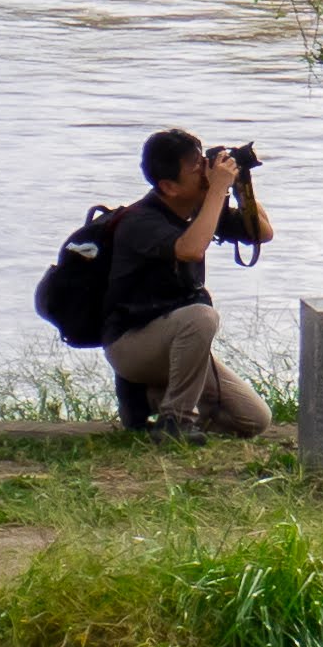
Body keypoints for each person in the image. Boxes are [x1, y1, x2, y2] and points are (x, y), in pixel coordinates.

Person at [103, 129, 272, 437]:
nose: (206, 172)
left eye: (203, 161)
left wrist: (241, 187)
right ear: (168, 186)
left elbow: (261, 233)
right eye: (196, 168)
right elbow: (190, 249)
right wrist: (217, 189)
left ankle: (146, 400)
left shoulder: (200, 207)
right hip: (131, 344)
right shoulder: (140, 221)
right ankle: (176, 420)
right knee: (201, 316)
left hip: (178, 342)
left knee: (253, 419)